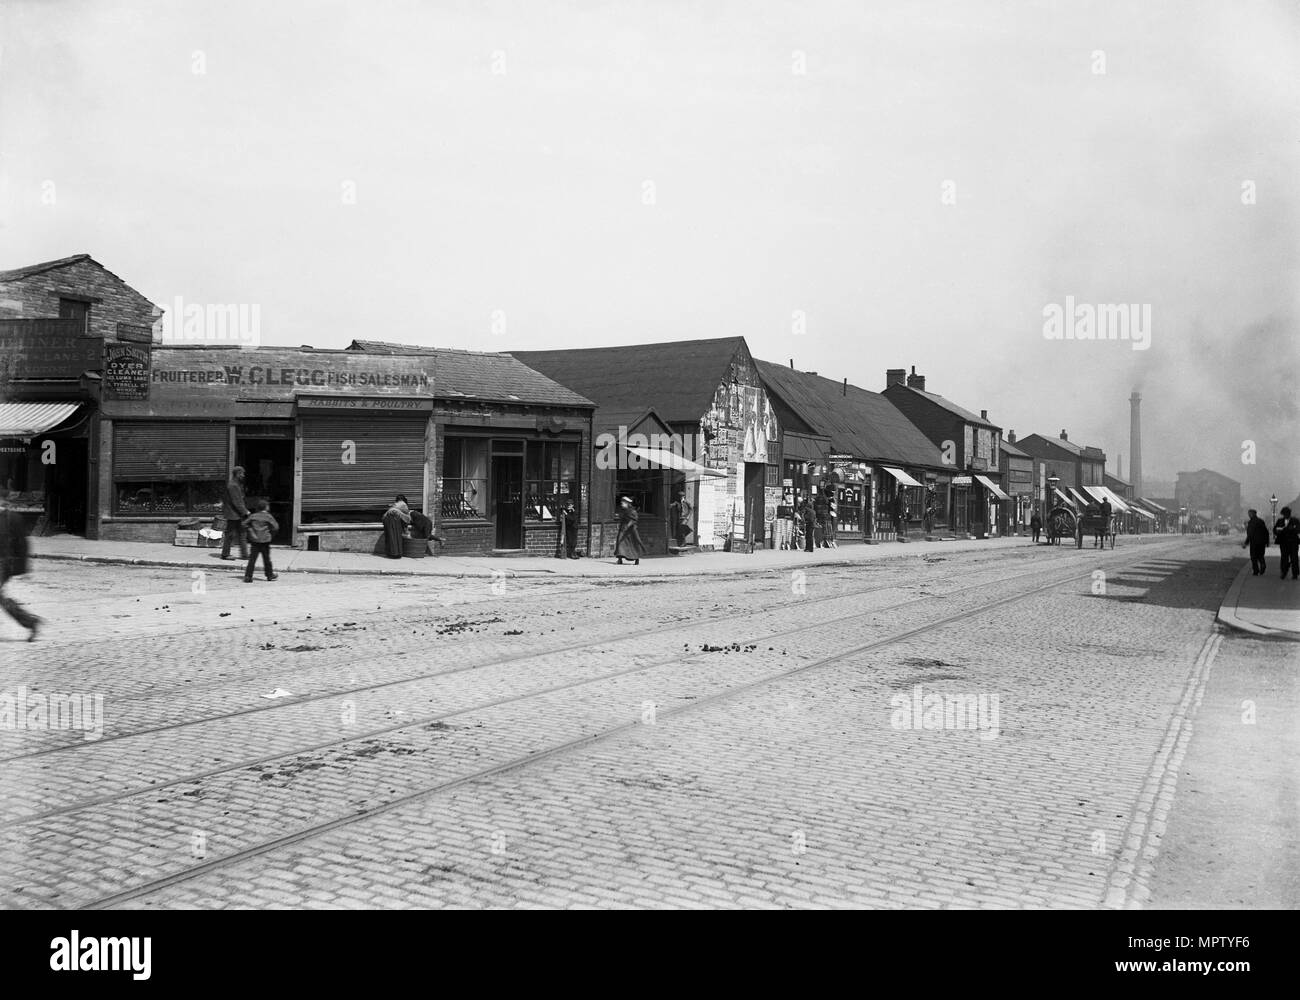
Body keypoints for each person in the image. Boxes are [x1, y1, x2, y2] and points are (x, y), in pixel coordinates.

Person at [0, 499, 42, 640]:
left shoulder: (13, 518)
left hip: (4, 564)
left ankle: (30, 622)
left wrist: (24, 568)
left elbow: (23, 545)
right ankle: (30, 622)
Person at [242, 497, 279, 583]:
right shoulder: (268, 517)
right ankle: (269, 575)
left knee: (252, 559)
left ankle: (248, 576)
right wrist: (270, 534)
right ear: (266, 507)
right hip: (265, 541)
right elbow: (276, 527)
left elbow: (244, 524)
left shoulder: (253, 516)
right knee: (266, 559)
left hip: (254, 541)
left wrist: (250, 529)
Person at [220, 466, 250, 561]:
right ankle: (225, 554)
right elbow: (236, 501)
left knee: (242, 533)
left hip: (237, 514)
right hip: (233, 514)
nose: (243, 476)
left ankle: (244, 554)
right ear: (237, 474)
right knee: (230, 534)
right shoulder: (233, 485)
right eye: (242, 473)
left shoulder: (236, 484)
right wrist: (245, 511)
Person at [614, 496, 643, 565]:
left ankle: (636, 558)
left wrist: (627, 526)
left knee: (633, 544)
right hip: (623, 529)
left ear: (627, 503)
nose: (621, 504)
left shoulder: (632, 511)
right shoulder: (624, 511)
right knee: (620, 542)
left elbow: (633, 520)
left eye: (623, 502)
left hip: (631, 531)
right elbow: (623, 519)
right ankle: (620, 559)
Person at [1274, 506, 1300, 580]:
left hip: (1293, 543)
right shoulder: (1280, 521)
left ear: (1289, 513)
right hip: (1284, 543)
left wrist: (1293, 529)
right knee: (1284, 558)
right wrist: (1277, 531)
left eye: (1287, 514)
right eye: (1284, 514)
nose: (1285, 515)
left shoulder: (1295, 520)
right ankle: (1284, 572)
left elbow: (1299, 529)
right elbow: (1275, 529)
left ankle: (1295, 574)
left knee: (1294, 559)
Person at [1242, 509, 1269, 576]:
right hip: (1262, 542)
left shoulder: (1251, 522)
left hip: (1254, 542)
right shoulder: (1261, 521)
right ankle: (1263, 564)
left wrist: (1246, 543)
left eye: (1249, 514)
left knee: (1253, 557)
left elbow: (1250, 534)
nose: (1249, 515)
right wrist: (1267, 542)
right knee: (1260, 555)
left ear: (1253, 514)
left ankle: (1256, 571)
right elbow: (1266, 532)